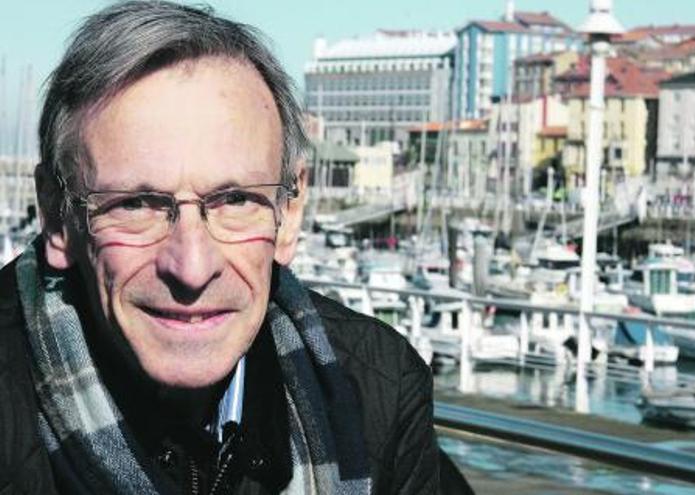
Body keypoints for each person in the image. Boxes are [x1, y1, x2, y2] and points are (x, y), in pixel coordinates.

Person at [0, 1, 440, 493]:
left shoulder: (380, 386)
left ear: (289, 213)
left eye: (235, 200)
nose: (192, 267)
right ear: (58, 215)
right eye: (137, 204)